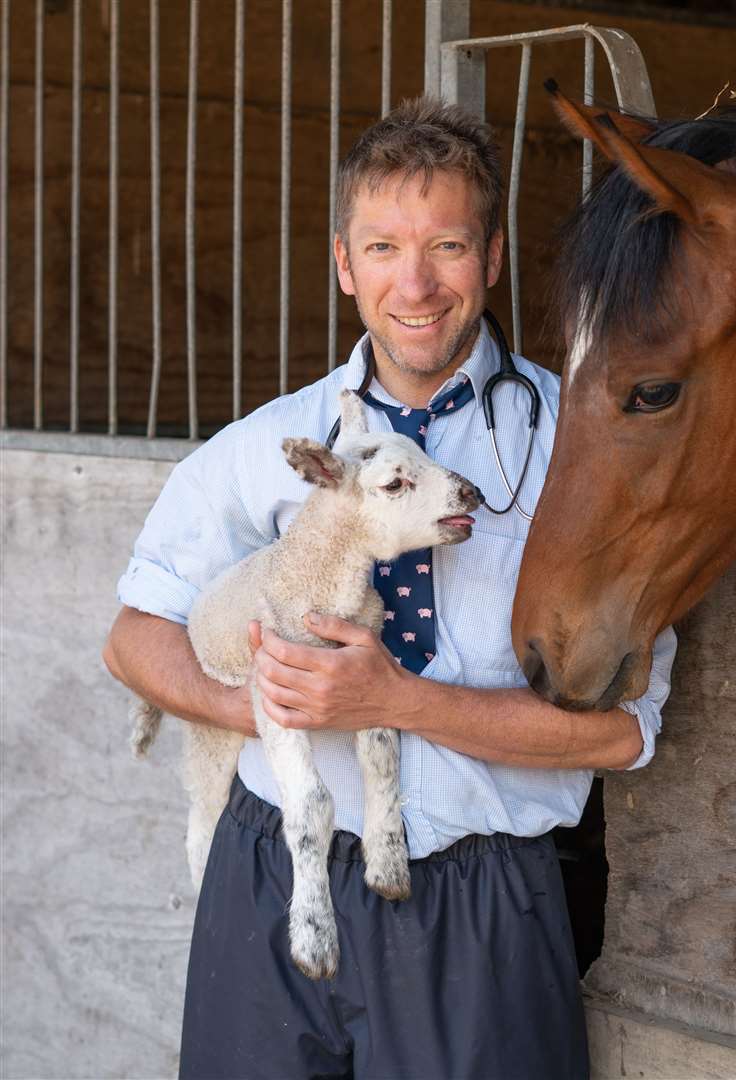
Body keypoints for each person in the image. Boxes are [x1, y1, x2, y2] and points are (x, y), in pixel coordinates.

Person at [102, 97, 676, 1080]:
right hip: (273, 874)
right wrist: (255, 706)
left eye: (447, 245)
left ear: (491, 257)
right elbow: (134, 635)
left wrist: (397, 703)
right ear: (344, 264)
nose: (414, 283)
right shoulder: (268, 448)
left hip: (480, 906)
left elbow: (627, 730)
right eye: (382, 248)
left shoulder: (581, 447)